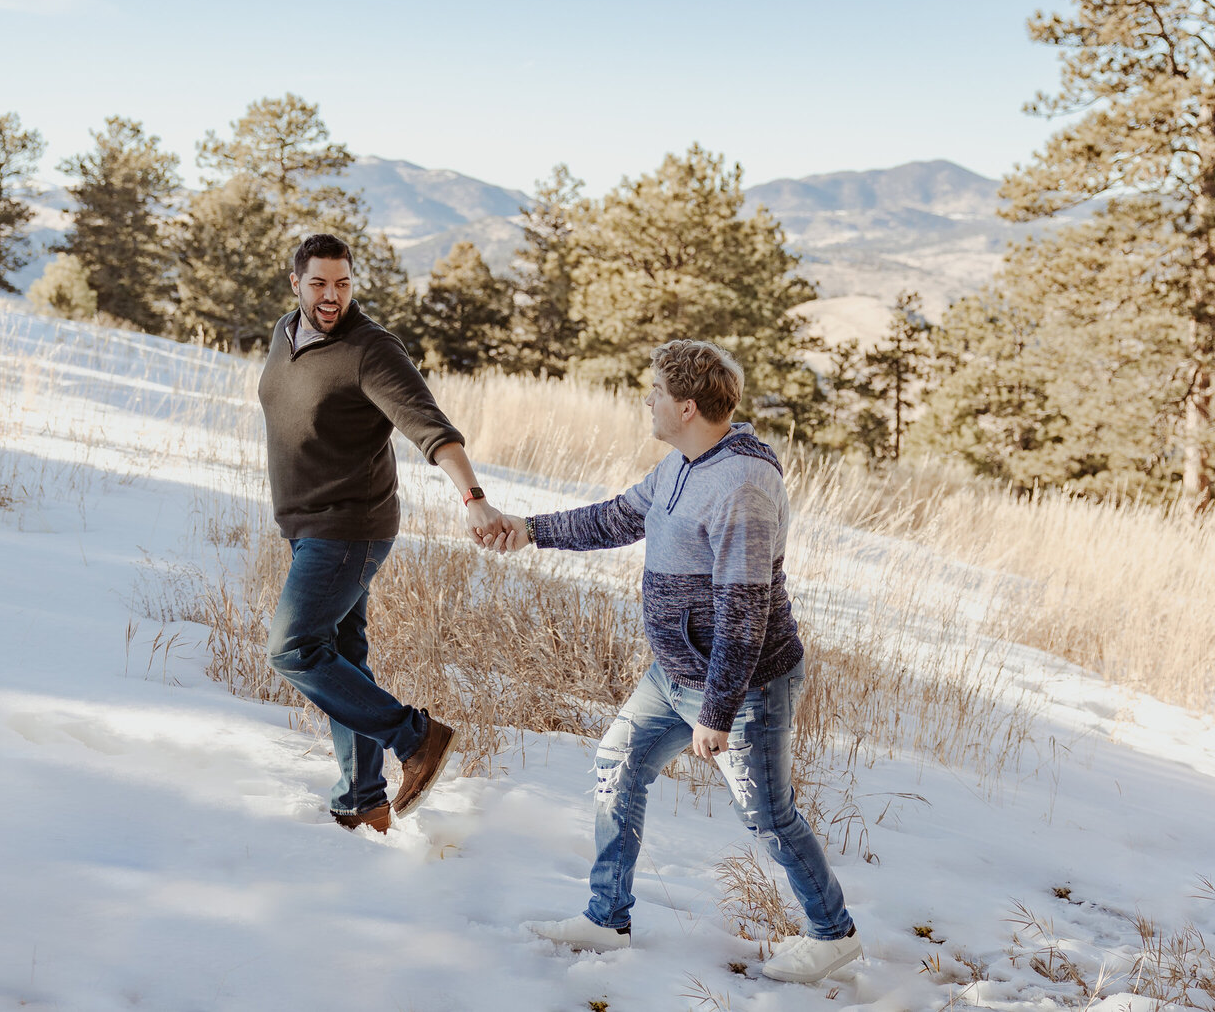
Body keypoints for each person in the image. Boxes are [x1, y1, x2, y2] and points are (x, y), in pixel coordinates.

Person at [491, 339, 861, 984]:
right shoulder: (681, 464)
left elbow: (745, 613)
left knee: (769, 818)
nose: (647, 403)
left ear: (687, 406)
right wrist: (530, 528)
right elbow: (616, 519)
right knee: (618, 763)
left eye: (655, 394)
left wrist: (717, 712)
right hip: (672, 676)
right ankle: (607, 919)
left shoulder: (741, 483)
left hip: (744, 684)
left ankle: (833, 935)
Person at [258, 233, 506, 835]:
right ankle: (363, 800)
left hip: (349, 529)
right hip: (306, 524)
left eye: (342, 284)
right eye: (318, 283)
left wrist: (472, 496)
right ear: (296, 283)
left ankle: (416, 737)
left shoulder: (371, 350)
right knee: (343, 657)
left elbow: (431, 428)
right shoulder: (284, 334)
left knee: (292, 649)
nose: (331, 296)